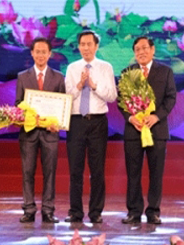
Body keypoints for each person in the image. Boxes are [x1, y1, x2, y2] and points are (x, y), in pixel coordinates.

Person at [119, 36, 177, 224]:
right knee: (133, 172)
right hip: (133, 130)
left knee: (156, 172)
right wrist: (130, 117)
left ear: (153, 50)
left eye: (144, 48)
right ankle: (134, 211)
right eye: (137, 49)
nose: (141, 52)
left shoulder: (165, 71)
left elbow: (170, 99)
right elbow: (122, 102)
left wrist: (156, 116)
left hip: (157, 130)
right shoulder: (128, 72)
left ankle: (153, 211)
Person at [64, 30, 117, 223]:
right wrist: (79, 85)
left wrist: (94, 86)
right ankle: (75, 212)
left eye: (89, 44)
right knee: (75, 170)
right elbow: (67, 97)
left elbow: (112, 96)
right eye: (82, 44)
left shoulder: (106, 67)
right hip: (76, 121)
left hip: (97, 122)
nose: (86, 48)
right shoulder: (71, 68)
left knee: (97, 170)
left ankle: (96, 213)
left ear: (96, 46)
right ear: (78, 47)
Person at [15, 37, 65, 223]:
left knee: (50, 172)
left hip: (50, 132)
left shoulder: (59, 77)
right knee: (28, 171)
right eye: (38, 51)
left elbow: (62, 106)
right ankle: (28, 209)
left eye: (44, 52)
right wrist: (28, 116)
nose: (41, 55)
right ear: (32, 53)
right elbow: (18, 104)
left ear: (50, 54)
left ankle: (48, 210)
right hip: (29, 133)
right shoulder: (22, 77)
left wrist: (57, 122)